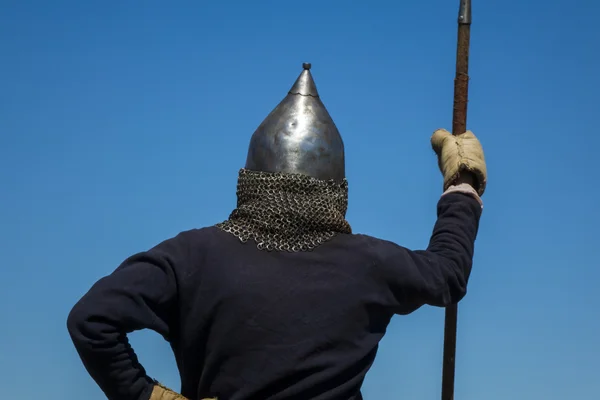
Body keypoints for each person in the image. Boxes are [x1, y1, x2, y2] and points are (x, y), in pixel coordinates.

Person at [67, 63, 487, 400]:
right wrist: (461, 186)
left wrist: (147, 396)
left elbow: (91, 319)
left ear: (251, 178)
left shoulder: (192, 256)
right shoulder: (368, 264)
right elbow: (447, 273)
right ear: (335, 189)